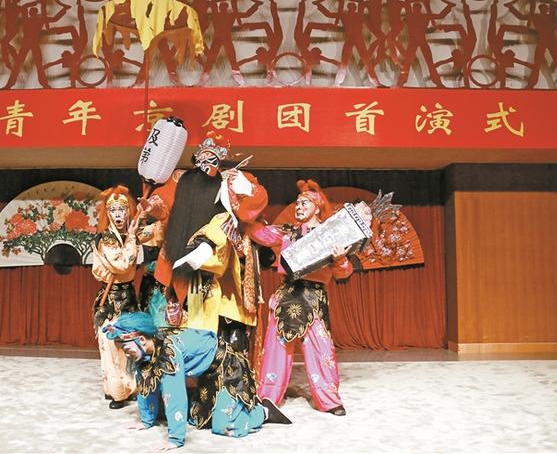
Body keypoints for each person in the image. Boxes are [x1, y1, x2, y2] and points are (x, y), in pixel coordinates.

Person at [248, 180, 372, 416]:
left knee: (320, 350)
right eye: (297, 203)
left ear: (317, 207)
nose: (299, 206)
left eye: (304, 203)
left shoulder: (331, 235)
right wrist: (244, 212)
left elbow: (343, 273)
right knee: (276, 350)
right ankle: (267, 397)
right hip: (287, 294)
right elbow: (260, 234)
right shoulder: (287, 232)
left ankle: (329, 400)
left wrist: (340, 259)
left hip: (314, 297)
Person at [140, 132, 268, 353]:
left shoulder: (230, 179)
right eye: (201, 160)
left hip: (225, 268)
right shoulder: (181, 180)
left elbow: (257, 200)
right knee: (184, 329)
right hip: (185, 261)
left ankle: (206, 247)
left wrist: (245, 188)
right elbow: (164, 200)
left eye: (211, 160)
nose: (205, 165)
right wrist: (152, 206)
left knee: (229, 337)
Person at [103, 312, 291, 451]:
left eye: (125, 348)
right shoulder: (147, 350)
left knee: (224, 426)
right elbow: (146, 382)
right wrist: (146, 420)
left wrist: (175, 439)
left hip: (227, 366)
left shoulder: (169, 352)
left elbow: (174, 394)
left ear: (142, 340)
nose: (125, 353)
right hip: (206, 374)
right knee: (196, 417)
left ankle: (264, 411)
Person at [91, 185, 141, 409]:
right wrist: (131, 239)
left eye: (122, 209)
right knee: (110, 345)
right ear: (108, 213)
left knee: (130, 343)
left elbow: (154, 236)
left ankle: (131, 387)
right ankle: (116, 392)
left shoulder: (129, 234)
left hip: (128, 295)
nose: (118, 215)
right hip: (110, 298)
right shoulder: (106, 238)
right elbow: (122, 264)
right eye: (113, 210)